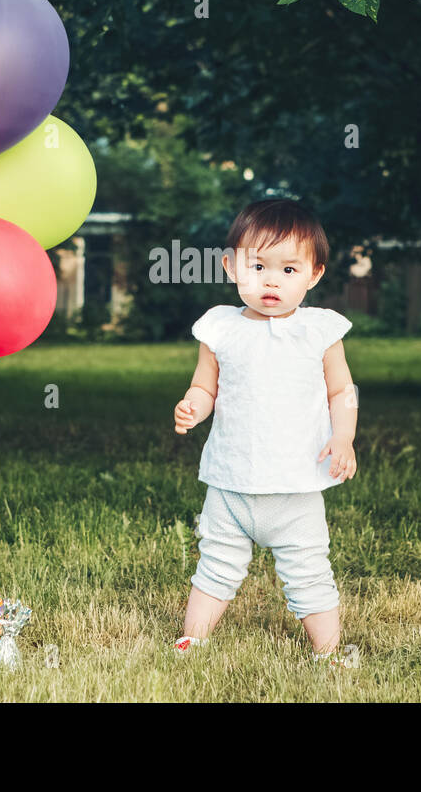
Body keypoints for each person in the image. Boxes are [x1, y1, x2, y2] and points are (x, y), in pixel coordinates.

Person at [173, 198, 357, 662]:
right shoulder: (221, 328)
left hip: (296, 488)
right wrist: (194, 406)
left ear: (314, 275)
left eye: (288, 270)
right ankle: (192, 639)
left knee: (309, 571)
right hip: (231, 485)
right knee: (215, 564)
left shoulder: (320, 331)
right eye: (257, 266)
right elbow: (205, 386)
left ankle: (328, 651)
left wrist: (343, 437)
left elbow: (341, 391)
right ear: (231, 266)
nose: (271, 280)